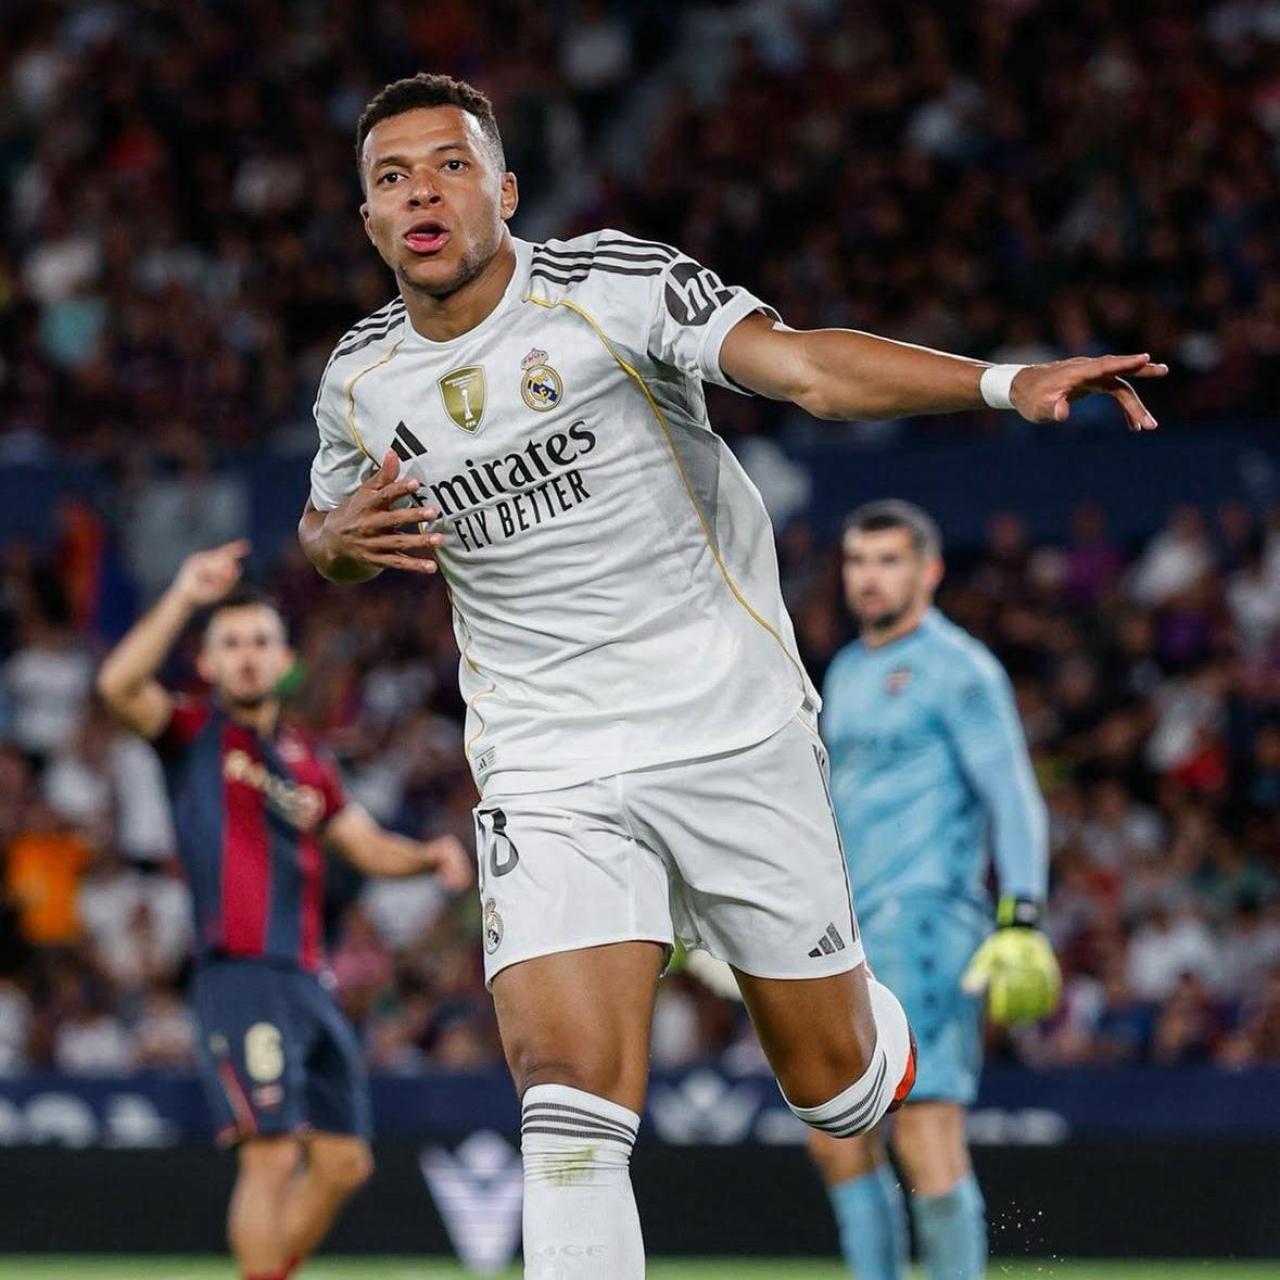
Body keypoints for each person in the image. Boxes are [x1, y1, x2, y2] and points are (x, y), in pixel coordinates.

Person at [296, 73, 1163, 1278]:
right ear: (369, 221)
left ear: (503, 189)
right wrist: (328, 544)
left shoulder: (609, 286)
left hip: (726, 729)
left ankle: (871, 1031)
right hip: (544, 757)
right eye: (390, 178)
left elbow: (801, 367)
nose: (418, 191)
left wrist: (999, 381)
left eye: (447, 164)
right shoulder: (358, 375)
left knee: (838, 1094)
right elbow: (328, 528)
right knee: (565, 1101)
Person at [97, 540, 472, 1280]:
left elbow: (362, 844)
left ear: (283, 660)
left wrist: (428, 856)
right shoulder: (192, 734)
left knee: (343, 1162)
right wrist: (184, 595)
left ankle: (269, 1271)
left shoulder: (307, 759)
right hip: (238, 973)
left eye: (260, 642)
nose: (245, 656)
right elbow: (117, 685)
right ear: (206, 663)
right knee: (269, 1158)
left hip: (307, 977)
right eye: (229, 643)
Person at [812, 501, 1060, 1280]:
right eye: (858, 561)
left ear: (929, 570)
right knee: (837, 1134)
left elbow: (1014, 796)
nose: (870, 577)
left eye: (888, 560)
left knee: (925, 1130)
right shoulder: (846, 669)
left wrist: (1021, 914)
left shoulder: (961, 669)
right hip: (846, 939)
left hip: (927, 920)